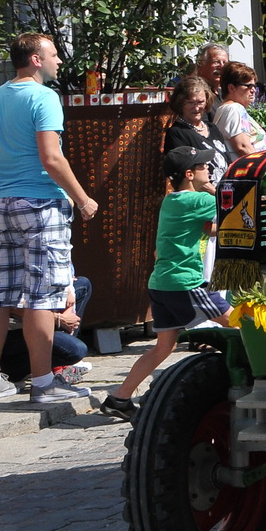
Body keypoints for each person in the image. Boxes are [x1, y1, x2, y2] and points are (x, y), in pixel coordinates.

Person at [0, 33, 98, 405]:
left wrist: (6, 171)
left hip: (4, 201)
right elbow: (51, 157)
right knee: (42, 295)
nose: (59, 61)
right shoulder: (44, 97)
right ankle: (43, 383)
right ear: (36, 59)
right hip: (41, 204)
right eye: (54, 54)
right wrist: (82, 198)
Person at [101, 147, 230, 421]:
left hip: (161, 282)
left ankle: (119, 398)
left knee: (163, 347)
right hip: (185, 282)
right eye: (203, 167)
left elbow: (209, 228)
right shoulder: (197, 201)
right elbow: (235, 203)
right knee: (239, 322)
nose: (208, 170)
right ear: (189, 174)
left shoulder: (172, 200)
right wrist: (211, 189)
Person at [164, 76, 231, 181]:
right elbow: (187, 178)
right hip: (204, 195)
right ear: (180, 103)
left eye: (200, 102)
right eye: (190, 103)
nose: (196, 108)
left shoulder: (212, 128)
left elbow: (229, 163)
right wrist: (218, 195)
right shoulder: (177, 133)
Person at [211, 62, 266, 158]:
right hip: (246, 169)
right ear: (231, 88)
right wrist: (264, 166)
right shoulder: (234, 109)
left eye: (254, 86)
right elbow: (243, 146)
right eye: (248, 86)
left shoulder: (225, 109)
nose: (253, 90)